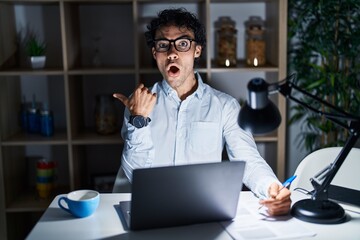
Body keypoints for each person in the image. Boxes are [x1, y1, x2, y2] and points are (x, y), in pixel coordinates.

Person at [113, 8, 291, 216]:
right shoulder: (138, 105)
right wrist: (138, 121)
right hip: (151, 210)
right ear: (155, 53)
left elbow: (248, 160)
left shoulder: (225, 106)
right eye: (163, 45)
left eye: (183, 44)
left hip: (202, 212)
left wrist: (271, 187)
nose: (172, 53)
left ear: (197, 50)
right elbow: (135, 175)